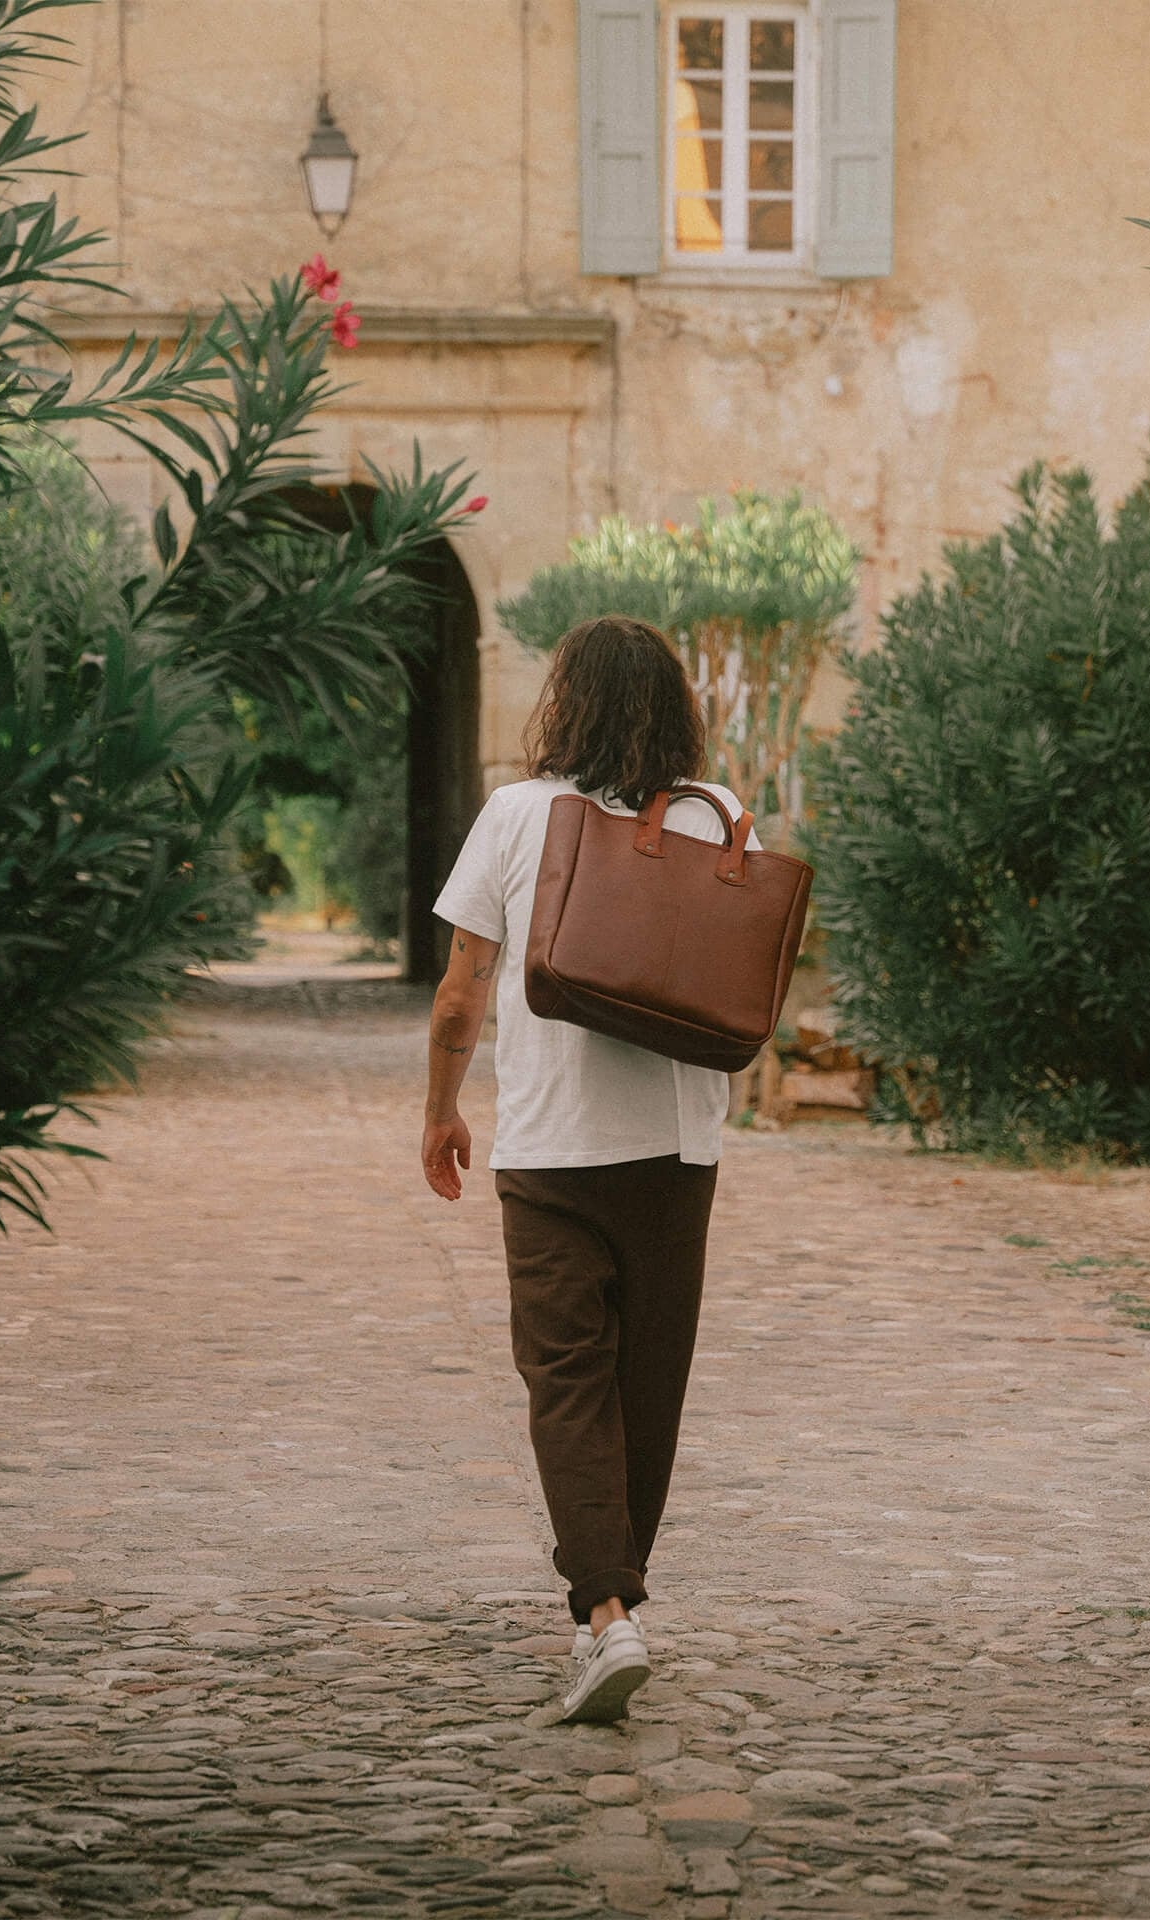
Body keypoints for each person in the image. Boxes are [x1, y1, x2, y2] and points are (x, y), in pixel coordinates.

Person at [420, 615, 755, 1725]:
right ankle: (609, 1611)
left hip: (552, 1150)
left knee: (566, 1382)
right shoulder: (710, 824)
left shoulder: (519, 816)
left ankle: (606, 1617)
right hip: (676, 1148)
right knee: (643, 1391)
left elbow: (462, 991)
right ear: (675, 710)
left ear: (564, 702)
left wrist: (441, 1112)